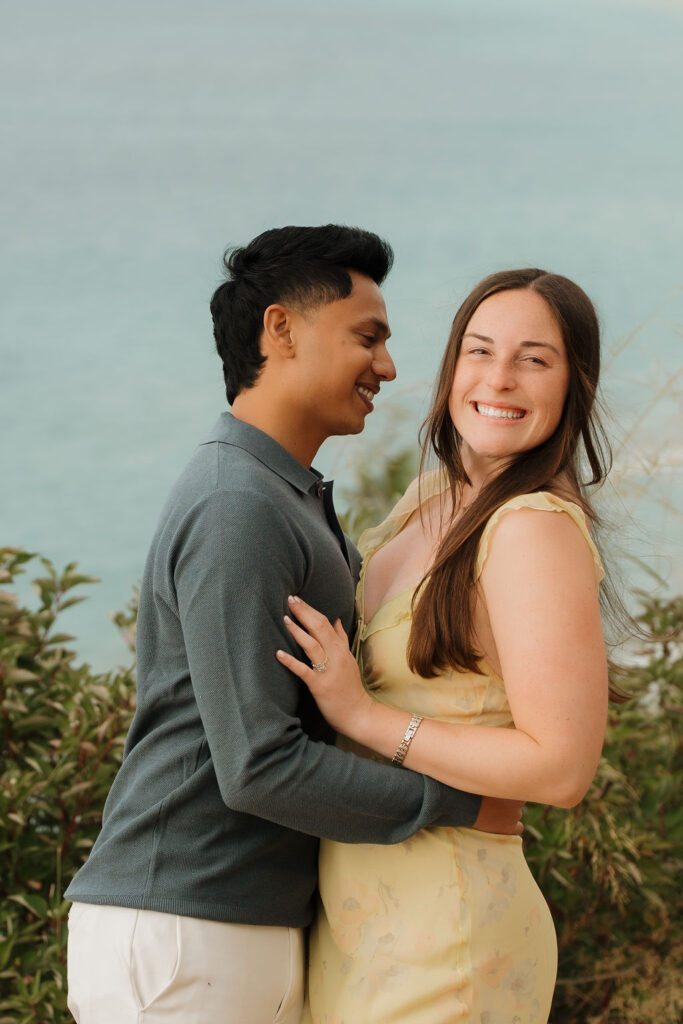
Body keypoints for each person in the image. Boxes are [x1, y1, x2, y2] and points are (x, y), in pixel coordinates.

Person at [64, 226, 521, 1024]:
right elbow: (259, 767)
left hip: (235, 927)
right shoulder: (236, 505)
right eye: (367, 337)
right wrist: (458, 804)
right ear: (281, 329)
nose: (386, 367)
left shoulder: (285, 494)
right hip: (184, 929)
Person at [277, 268, 613, 1023]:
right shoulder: (429, 499)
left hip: (452, 925)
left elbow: (560, 768)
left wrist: (363, 719)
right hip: (360, 913)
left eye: (534, 359)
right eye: (478, 351)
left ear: (572, 385)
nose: (498, 379)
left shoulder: (530, 529)